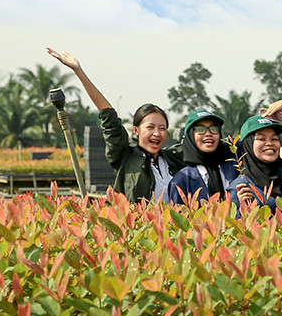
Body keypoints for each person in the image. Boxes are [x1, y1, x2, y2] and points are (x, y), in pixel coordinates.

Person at [46, 47, 182, 201]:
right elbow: (109, 117)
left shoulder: (172, 158)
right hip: (138, 224)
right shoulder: (126, 156)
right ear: (136, 131)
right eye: (150, 127)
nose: (157, 133)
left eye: (162, 128)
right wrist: (79, 71)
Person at [167, 109, 238, 203]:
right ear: (190, 136)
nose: (208, 133)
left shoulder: (233, 167)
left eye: (214, 128)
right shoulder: (182, 180)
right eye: (200, 129)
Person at [229, 115, 282, 213]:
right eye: (262, 139)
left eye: (274, 139)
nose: (269, 143)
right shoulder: (241, 186)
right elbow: (232, 225)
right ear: (248, 144)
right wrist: (243, 210)